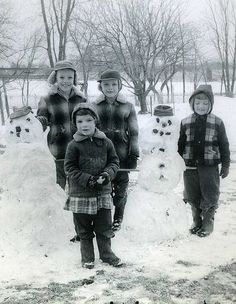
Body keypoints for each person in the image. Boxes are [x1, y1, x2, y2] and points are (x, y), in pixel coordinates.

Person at [64, 103, 122, 269]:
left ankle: (107, 255)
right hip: (80, 195)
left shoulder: (106, 142)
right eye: (80, 121)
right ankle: (87, 258)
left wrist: (106, 175)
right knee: (84, 231)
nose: (85, 124)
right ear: (75, 123)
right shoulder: (73, 145)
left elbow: (114, 162)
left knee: (104, 228)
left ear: (95, 121)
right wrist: (88, 179)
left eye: (89, 120)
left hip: (102, 193)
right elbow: (69, 168)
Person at [36, 60, 86, 242]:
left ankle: (80, 229)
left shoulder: (81, 99)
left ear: (74, 78)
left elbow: (90, 121)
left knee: (78, 190)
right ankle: (59, 228)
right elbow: (39, 121)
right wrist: (32, 123)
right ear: (55, 77)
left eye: (69, 77)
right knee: (59, 188)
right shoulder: (47, 99)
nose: (66, 80)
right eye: (62, 77)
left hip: (80, 152)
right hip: (57, 151)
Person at [178, 84, 230, 237]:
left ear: (211, 105)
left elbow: (224, 145)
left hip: (209, 166)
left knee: (209, 194)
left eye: (206, 103)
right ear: (192, 104)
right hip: (190, 166)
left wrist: (225, 165)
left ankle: (207, 223)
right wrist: (178, 163)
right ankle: (196, 221)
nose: (201, 106)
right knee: (192, 194)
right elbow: (180, 145)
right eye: (198, 103)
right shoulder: (185, 122)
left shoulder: (217, 122)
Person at [93, 69, 139, 231]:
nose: (110, 87)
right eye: (106, 84)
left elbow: (134, 132)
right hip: (101, 157)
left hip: (121, 155)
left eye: (114, 84)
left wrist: (133, 154)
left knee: (120, 191)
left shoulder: (128, 106)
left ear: (119, 86)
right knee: (103, 189)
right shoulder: (95, 106)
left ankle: (118, 218)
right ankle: (103, 220)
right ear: (101, 87)